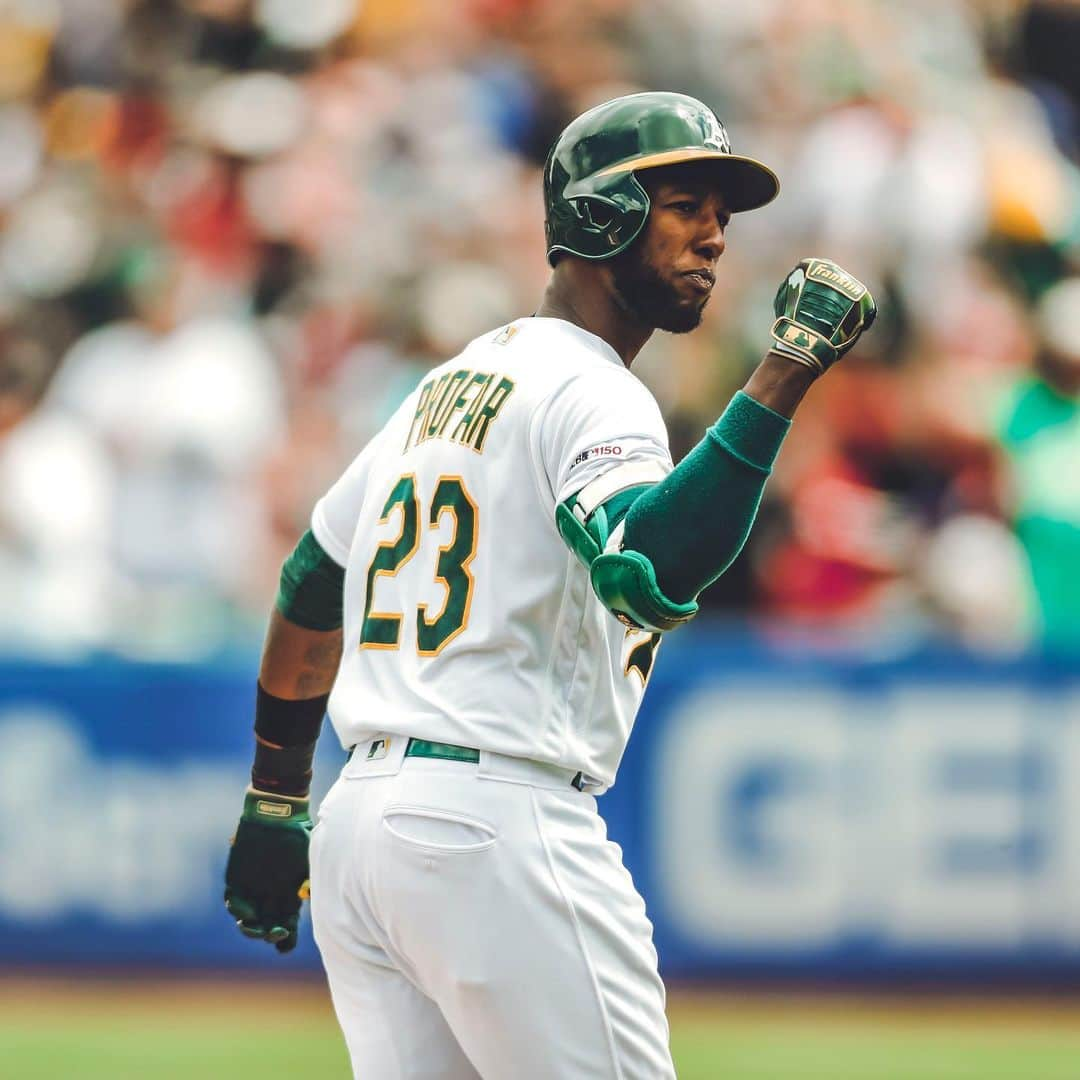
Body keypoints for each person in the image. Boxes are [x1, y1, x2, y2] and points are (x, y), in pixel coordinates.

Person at [224, 91, 875, 1079]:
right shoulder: (593, 388)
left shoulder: (447, 387)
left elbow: (315, 577)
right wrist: (783, 373)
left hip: (365, 833)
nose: (713, 237)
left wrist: (277, 796)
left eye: (722, 218)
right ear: (599, 213)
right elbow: (647, 565)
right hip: (494, 825)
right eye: (686, 203)